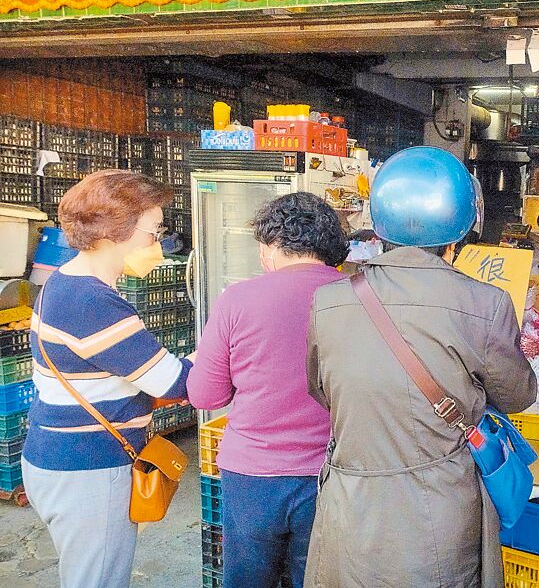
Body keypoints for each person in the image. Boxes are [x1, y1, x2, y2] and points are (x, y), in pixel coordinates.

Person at [304, 146, 538, 588]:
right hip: (440, 513)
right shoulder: (485, 304)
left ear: (379, 225)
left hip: (350, 509)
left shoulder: (328, 301)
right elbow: (518, 395)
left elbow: (320, 390)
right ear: (460, 231)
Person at [23, 169, 193, 588]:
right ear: (113, 232)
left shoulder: (64, 281)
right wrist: (223, 349)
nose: (158, 244)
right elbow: (174, 383)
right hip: (89, 468)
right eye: (154, 232)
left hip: (61, 459)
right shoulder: (92, 302)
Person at [187, 192, 347, 588]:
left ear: (272, 246)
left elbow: (205, 396)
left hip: (252, 475)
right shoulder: (359, 297)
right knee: (318, 577)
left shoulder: (238, 299)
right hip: (333, 473)